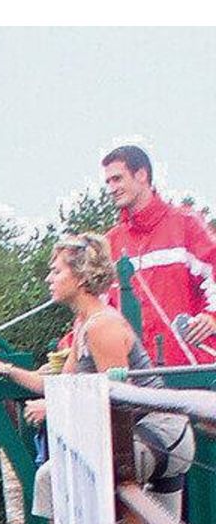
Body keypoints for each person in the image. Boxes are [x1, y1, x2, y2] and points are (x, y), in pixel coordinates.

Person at [0, 233, 195, 524]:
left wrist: (54, 410)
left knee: (51, 477)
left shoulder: (103, 326)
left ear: (80, 276)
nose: (48, 278)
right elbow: (66, 384)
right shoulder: (84, 324)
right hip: (149, 436)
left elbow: (117, 400)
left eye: (55, 270)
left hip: (159, 436)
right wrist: (5, 369)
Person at [102, 144, 216, 367]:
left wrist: (212, 318)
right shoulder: (111, 242)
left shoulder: (185, 224)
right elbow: (97, 309)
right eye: (108, 182)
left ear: (141, 174)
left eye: (117, 179)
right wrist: (68, 350)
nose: (111, 188)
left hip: (191, 371)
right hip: (136, 377)